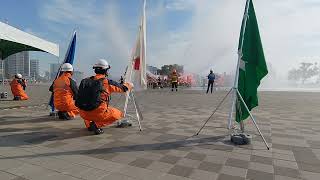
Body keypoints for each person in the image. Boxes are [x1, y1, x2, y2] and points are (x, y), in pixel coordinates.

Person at [76, 59, 133, 135]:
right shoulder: (107, 82)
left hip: (83, 113)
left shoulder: (85, 81)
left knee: (91, 112)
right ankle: (96, 125)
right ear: (106, 71)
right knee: (119, 114)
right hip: (98, 113)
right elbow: (123, 88)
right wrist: (130, 85)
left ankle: (90, 125)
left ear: (95, 70)